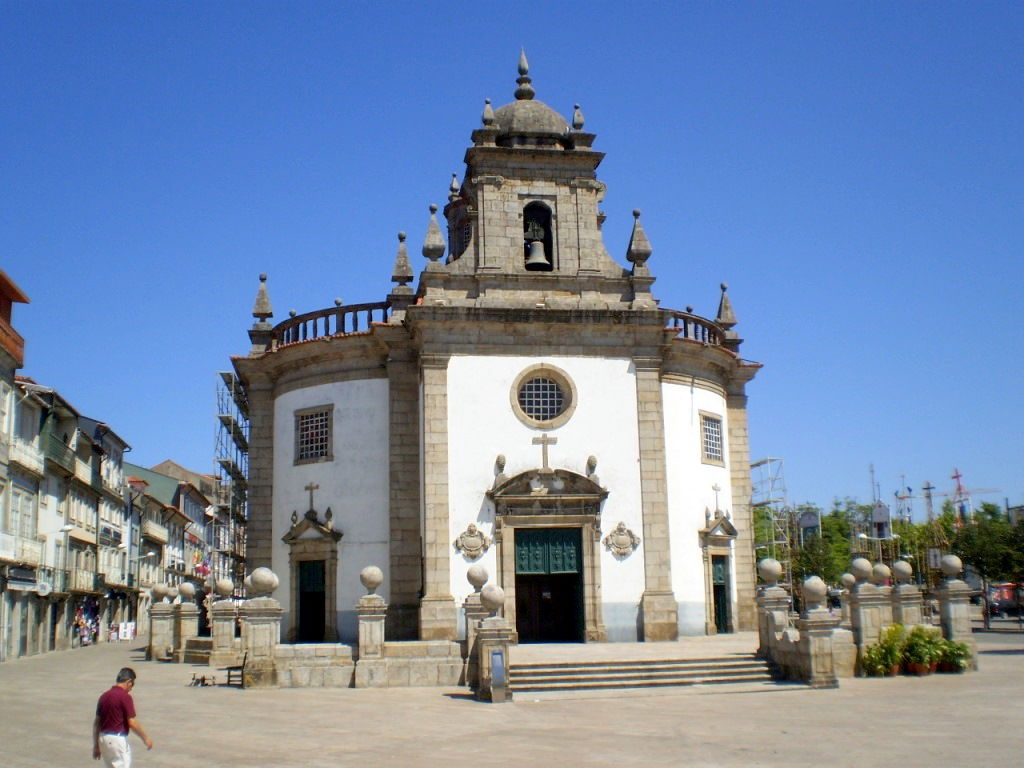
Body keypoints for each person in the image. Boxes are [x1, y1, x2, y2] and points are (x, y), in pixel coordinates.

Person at [93, 667, 153, 767]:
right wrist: (145, 738)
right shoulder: (124, 697)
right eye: (132, 684)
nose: (131, 688)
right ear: (129, 682)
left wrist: (96, 745)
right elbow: (131, 722)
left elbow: (97, 723)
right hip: (117, 740)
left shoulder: (103, 696)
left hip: (103, 739)